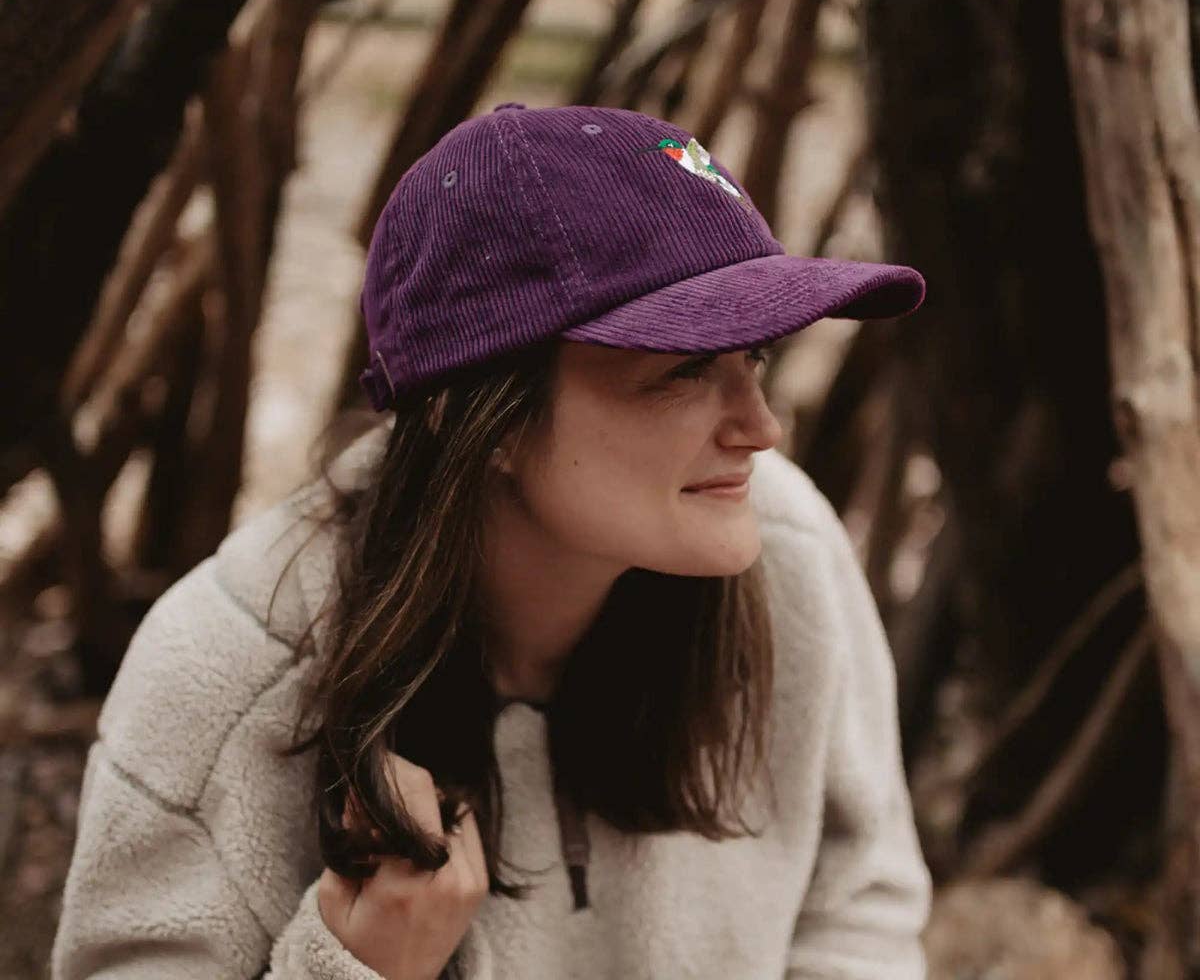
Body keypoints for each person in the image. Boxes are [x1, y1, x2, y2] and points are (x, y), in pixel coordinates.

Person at [52, 103, 933, 979]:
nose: (761, 428)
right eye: (685, 370)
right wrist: (357, 969)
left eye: (757, 359)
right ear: (482, 418)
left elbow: (861, 906)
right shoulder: (225, 673)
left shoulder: (789, 550)